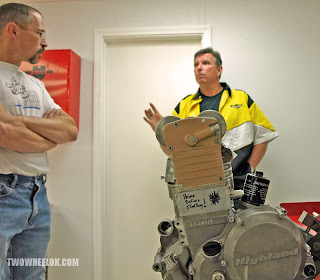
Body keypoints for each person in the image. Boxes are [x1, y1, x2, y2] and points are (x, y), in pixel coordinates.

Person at [0, 3, 78, 280]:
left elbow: (69, 130)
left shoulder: (36, 84)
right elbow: (5, 134)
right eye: (40, 33)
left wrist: (17, 121)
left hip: (37, 194)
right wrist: (47, 135)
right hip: (3, 191)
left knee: (33, 276)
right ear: (13, 30)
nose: (45, 42)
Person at [144, 47, 278, 190]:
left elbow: (263, 136)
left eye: (205, 63)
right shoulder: (184, 105)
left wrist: (249, 168)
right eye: (196, 65)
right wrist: (160, 131)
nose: (199, 68)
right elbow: (173, 151)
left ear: (219, 70)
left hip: (239, 184)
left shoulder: (241, 99)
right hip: (199, 186)